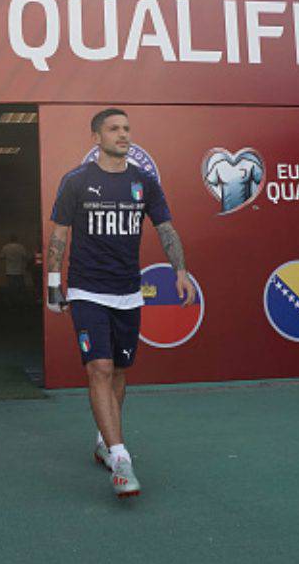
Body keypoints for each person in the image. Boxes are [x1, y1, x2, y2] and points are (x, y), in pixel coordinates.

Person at [45, 108, 196, 499]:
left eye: (127, 128)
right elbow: (59, 234)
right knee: (99, 367)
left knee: (119, 373)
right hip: (86, 290)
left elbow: (165, 227)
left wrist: (180, 270)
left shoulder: (144, 182)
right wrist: (53, 285)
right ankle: (120, 458)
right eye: (114, 129)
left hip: (129, 292)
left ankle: (101, 439)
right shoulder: (76, 181)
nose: (123, 134)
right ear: (96, 137)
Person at [0, 234, 30, 306]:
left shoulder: (6, 247)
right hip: (19, 270)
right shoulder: (20, 247)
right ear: (16, 239)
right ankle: (21, 301)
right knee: (20, 287)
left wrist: (9, 258)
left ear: (10, 239)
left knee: (10, 287)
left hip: (9, 270)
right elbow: (25, 257)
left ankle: (11, 301)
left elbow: (1, 257)